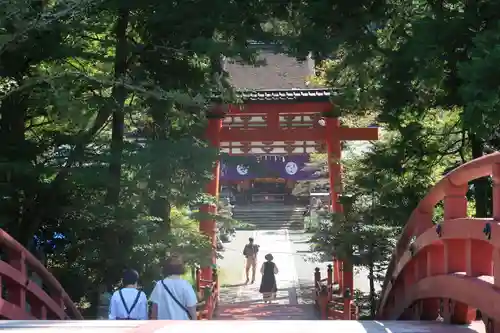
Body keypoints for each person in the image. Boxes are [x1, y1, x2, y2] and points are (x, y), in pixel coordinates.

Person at [149, 255, 198, 320]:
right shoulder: (186, 285)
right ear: (181, 268)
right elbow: (192, 309)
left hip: (163, 326)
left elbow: (154, 310)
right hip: (182, 326)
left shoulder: (160, 285)